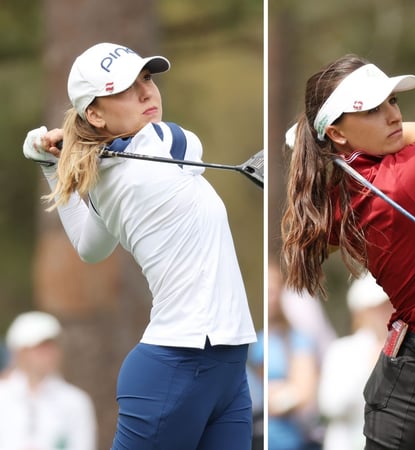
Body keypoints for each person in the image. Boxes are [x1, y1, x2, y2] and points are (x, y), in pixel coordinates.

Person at [21, 42, 257, 449]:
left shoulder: (102, 181)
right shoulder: (168, 141)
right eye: (126, 88)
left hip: (228, 366)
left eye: (147, 78)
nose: (147, 92)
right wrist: (72, 156)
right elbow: (192, 150)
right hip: (176, 367)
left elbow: (89, 248)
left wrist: (51, 165)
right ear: (94, 113)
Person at [281, 54, 415, 450]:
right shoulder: (406, 176)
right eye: (372, 109)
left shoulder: (339, 199)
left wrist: (324, 142)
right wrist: (323, 139)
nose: (394, 117)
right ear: (338, 132)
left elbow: (327, 235)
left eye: (392, 102)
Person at [318, 273, 394, 450]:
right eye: (379, 307)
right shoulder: (342, 351)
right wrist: (372, 364)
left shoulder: (408, 349)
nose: (389, 310)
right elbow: (331, 405)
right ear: (363, 312)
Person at [0, 311, 97, 450]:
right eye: (39, 348)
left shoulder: (75, 401)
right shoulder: (2, 396)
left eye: (52, 346)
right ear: (20, 352)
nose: (49, 354)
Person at [267, 262, 322, 450]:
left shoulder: (297, 339)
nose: (269, 298)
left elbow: (305, 392)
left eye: (273, 291)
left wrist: (278, 399)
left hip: (293, 441)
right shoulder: (254, 342)